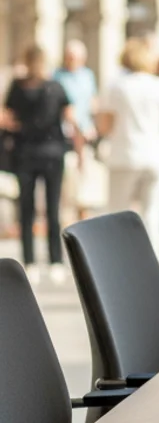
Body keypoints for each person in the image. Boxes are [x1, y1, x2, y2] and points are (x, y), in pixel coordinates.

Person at [95, 38, 159, 262]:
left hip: (125, 154)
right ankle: (152, 263)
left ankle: (118, 261)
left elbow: (104, 126)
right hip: (156, 156)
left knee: (118, 212)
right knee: (153, 213)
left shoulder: (116, 86)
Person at [2, 46, 75, 284]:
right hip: (48, 152)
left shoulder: (24, 86)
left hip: (29, 151)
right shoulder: (53, 86)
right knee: (48, 208)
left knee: (30, 208)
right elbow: (70, 117)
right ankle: (52, 261)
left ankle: (34, 260)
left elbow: (8, 117)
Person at [53, 40, 100, 221]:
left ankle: (84, 217)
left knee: (85, 179)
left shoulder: (87, 76)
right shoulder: (57, 76)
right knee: (68, 182)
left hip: (85, 132)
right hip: (65, 133)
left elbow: (92, 101)